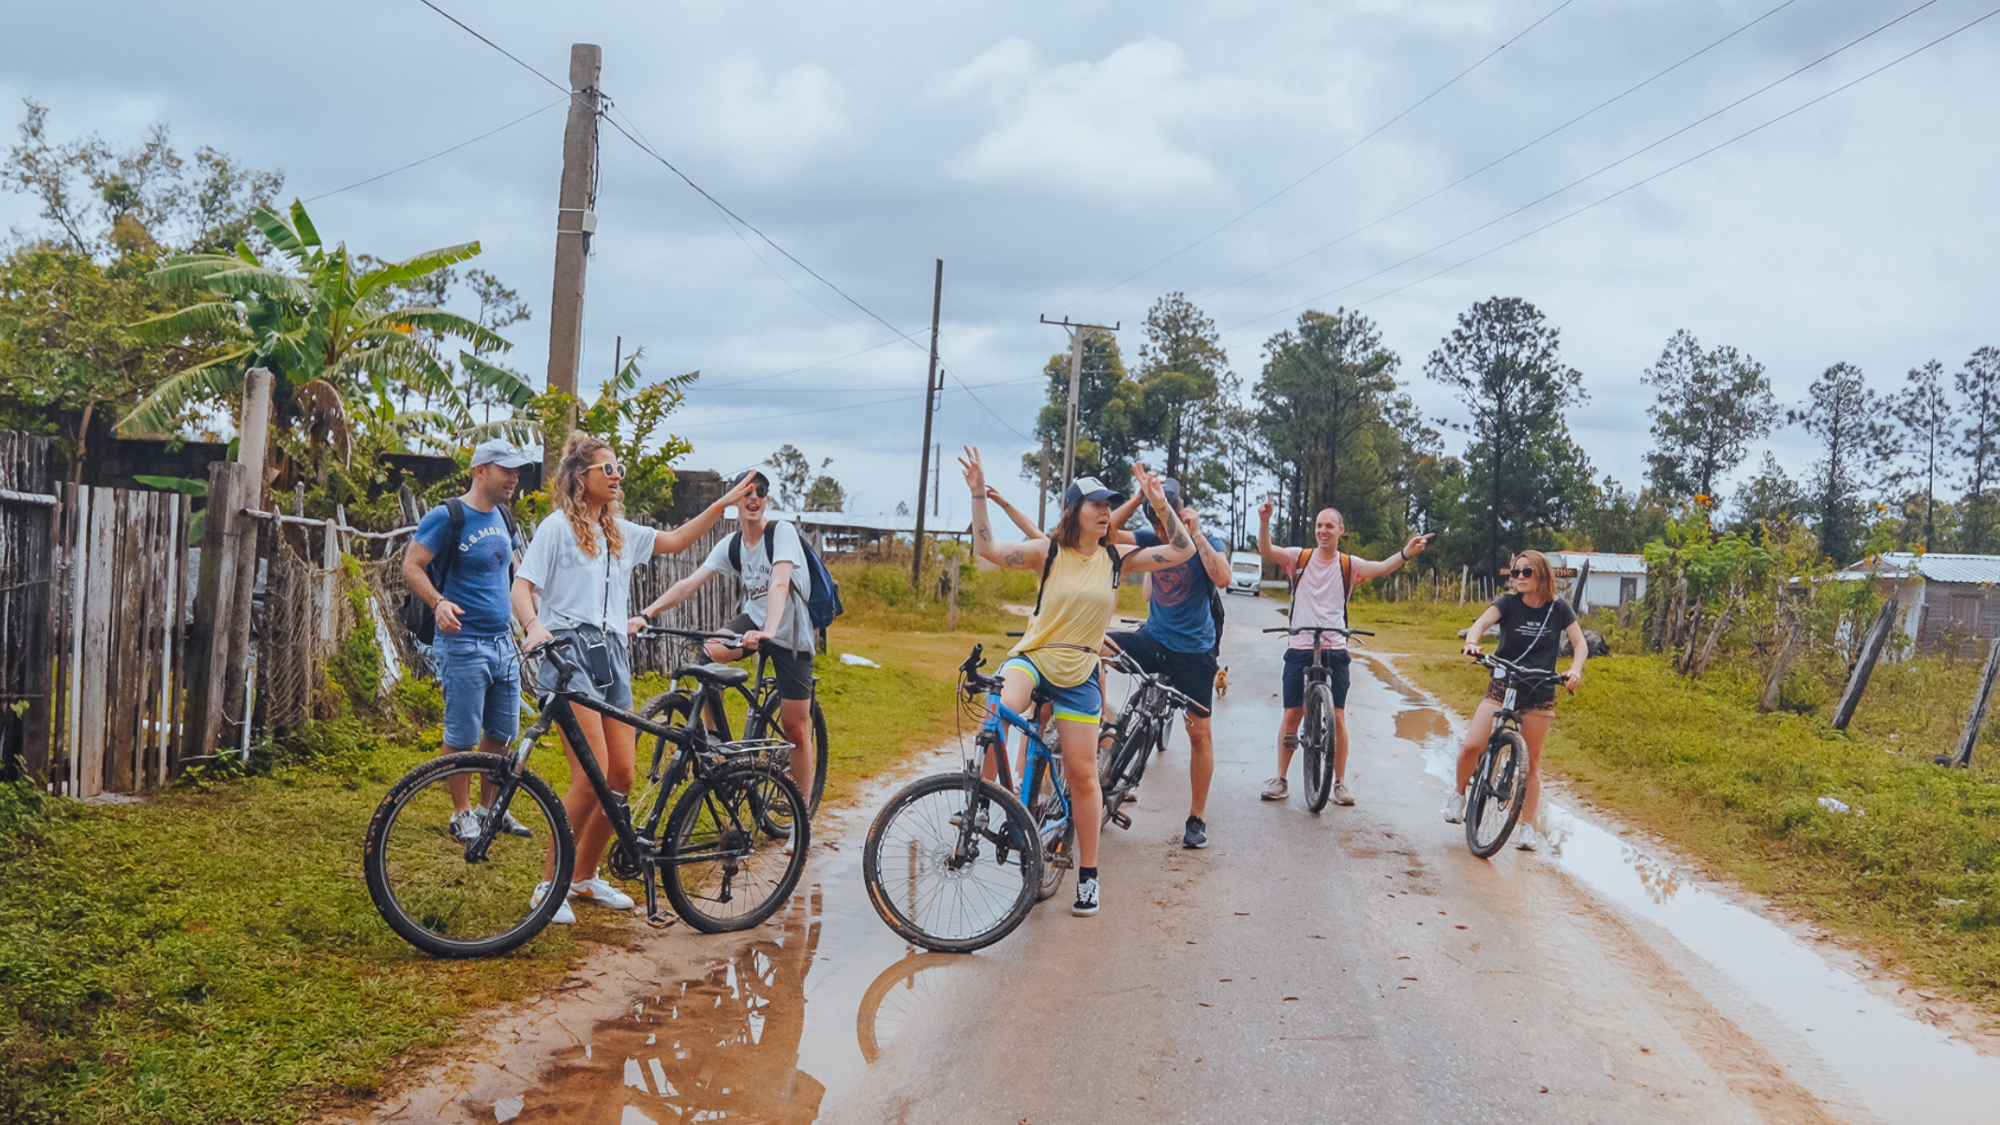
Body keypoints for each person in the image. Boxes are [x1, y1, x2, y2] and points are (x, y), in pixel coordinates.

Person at [513, 433, 755, 924]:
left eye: (618, 467)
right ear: (581, 478)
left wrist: (721, 506)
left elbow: (677, 540)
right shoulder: (557, 528)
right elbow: (523, 588)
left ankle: (583, 877)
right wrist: (534, 626)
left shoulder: (620, 532)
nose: (617, 475)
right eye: (608, 469)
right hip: (569, 652)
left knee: (620, 777)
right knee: (592, 775)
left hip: (612, 655)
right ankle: (548, 885)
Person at [961, 447, 1193, 917]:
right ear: (1074, 512)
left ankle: (1088, 875)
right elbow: (986, 548)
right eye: (1097, 505)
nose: (1106, 512)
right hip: (1034, 657)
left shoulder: (1117, 558)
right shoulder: (1048, 552)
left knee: (1085, 776)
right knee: (998, 709)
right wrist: (978, 496)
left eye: (1109, 505)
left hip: (1082, 671)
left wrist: (1160, 505)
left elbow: (1183, 550)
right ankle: (982, 804)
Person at [637, 467, 818, 808]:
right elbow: (689, 584)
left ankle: (801, 815)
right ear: (734, 498)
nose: (753, 498)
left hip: (790, 631)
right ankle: (720, 744)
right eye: (746, 491)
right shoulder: (732, 544)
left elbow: (780, 583)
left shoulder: (782, 533)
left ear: (768, 499)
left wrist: (769, 631)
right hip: (754, 620)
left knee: (795, 729)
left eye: (760, 491)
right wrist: (647, 613)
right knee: (706, 657)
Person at [401, 438, 534, 842]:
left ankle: (488, 809)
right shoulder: (448, 516)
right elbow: (412, 565)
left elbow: (512, 572)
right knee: (461, 736)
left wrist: (532, 619)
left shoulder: (504, 518)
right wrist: (439, 603)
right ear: (480, 470)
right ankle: (461, 814)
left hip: (501, 643)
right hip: (462, 643)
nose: (514, 478)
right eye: (505, 470)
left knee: (502, 732)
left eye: (516, 471)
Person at [1255, 501, 1430, 805]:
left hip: (1336, 646)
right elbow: (1267, 550)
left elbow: (1381, 568)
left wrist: (1405, 553)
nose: (1323, 531)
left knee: (1337, 716)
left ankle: (1340, 783)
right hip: (1300, 645)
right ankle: (1281, 779)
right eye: (1319, 525)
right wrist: (1265, 520)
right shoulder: (1299, 557)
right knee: (1292, 712)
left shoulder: (1348, 564)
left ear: (1340, 530)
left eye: (1329, 526)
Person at [1103, 476, 1231, 850]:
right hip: (1154, 637)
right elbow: (1108, 533)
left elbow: (1222, 576)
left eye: (1165, 521)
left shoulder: (1209, 539)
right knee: (1091, 646)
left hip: (1195, 651)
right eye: (1155, 522)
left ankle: (1196, 817)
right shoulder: (1149, 537)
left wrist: (1198, 534)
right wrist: (1137, 497)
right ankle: (1098, 727)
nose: (1160, 530)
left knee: (1198, 733)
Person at [1446, 550, 1587, 850]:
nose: (1519, 578)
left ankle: (1527, 828)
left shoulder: (1559, 609)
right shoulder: (1507, 604)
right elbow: (1482, 623)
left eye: (1527, 572)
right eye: (1516, 573)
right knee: (1473, 744)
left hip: (1540, 690)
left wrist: (1575, 671)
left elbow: (1580, 644)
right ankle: (1458, 795)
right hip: (1503, 682)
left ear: (1542, 575)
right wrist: (1472, 642)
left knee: (1531, 765)